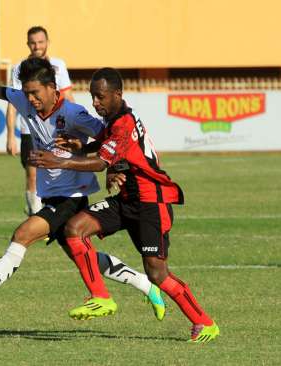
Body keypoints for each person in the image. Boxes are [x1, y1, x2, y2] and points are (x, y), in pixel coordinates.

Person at [0, 53, 166, 321]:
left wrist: (114, 169)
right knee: (87, 258)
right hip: (51, 195)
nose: (31, 99)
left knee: (23, 234)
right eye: (26, 93)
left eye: (36, 92)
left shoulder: (73, 114)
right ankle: (146, 284)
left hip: (71, 197)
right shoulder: (25, 103)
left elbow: (115, 139)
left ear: (52, 88)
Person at [29, 67, 219, 343]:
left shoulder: (124, 123)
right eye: (93, 96)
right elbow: (107, 148)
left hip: (151, 204)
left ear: (117, 94)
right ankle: (101, 296)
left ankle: (204, 322)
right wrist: (81, 148)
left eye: (101, 97)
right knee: (74, 228)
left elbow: (102, 162)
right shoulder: (116, 119)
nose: (95, 103)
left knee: (156, 272)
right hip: (126, 200)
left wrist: (60, 161)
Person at [6, 26, 75, 215]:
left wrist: (76, 124)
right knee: (32, 174)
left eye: (40, 42)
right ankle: (35, 216)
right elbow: (12, 103)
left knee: (56, 171)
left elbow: (68, 96)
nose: (37, 46)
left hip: (55, 129)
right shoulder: (20, 68)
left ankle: (52, 213)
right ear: (27, 44)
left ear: (47, 42)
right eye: (33, 43)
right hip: (30, 129)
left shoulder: (58, 65)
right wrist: (10, 135)